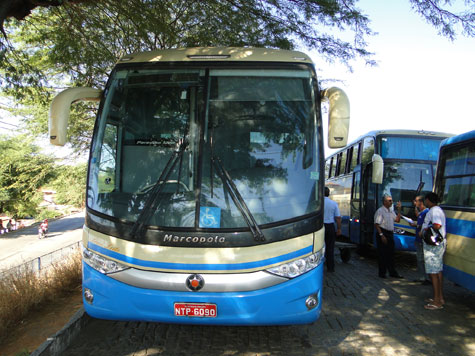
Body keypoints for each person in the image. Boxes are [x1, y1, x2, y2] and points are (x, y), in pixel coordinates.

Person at [422, 192, 446, 310]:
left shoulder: (434, 211)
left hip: (433, 247)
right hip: (435, 246)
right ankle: (439, 297)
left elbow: (437, 225)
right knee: (437, 271)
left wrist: (425, 229)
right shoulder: (437, 210)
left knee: (433, 272)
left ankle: (437, 302)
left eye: (425, 200)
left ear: (428, 200)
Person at [374, 194, 403, 279]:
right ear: (384, 202)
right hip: (383, 233)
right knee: (382, 254)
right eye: (389, 200)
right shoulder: (380, 211)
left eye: (391, 200)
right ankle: (382, 273)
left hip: (390, 233)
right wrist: (381, 235)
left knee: (391, 254)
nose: (391, 202)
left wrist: (399, 210)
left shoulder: (391, 211)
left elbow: (397, 220)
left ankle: (392, 272)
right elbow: (376, 224)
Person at [409, 196, 431, 285]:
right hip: (418, 239)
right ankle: (422, 277)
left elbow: (426, 225)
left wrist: (417, 225)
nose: (414, 202)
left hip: (422, 240)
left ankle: (425, 278)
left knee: (422, 259)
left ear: (421, 202)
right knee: (419, 259)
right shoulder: (422, 212)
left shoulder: (427, 212)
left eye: (416, 201)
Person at [323, 186, 341, 273]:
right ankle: (330, 267)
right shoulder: (333, 204)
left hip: (319, 227)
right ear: (328, 194)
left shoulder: (317, 202)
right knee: (330, 248)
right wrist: (339, 229)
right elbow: (338, 217)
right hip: (330, 227)